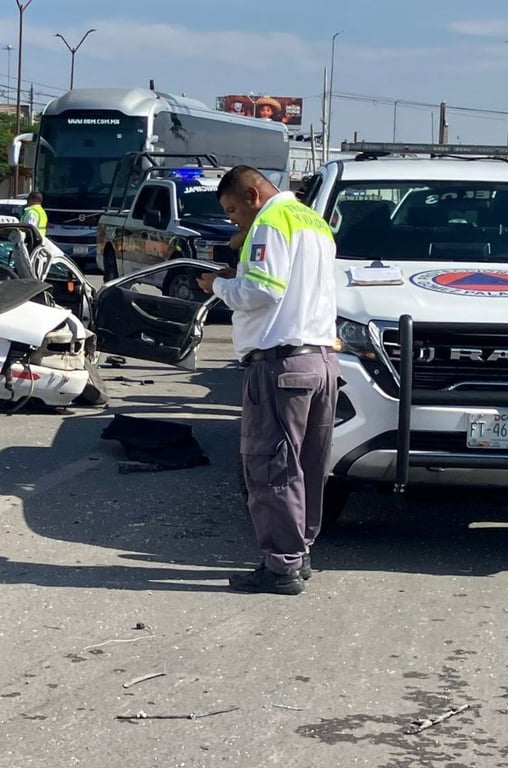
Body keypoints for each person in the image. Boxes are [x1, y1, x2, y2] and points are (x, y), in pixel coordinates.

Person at [197, 166, 339, 596]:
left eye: (233, 209)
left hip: (279, 365)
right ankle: (301, 553)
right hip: (320, 361)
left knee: (271, 466)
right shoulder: (316, 222)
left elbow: (262, 291)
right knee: (307, 466)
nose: (234, 221)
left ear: (253, 194)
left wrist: (219, 285)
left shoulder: (270, 221)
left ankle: (281, 566)